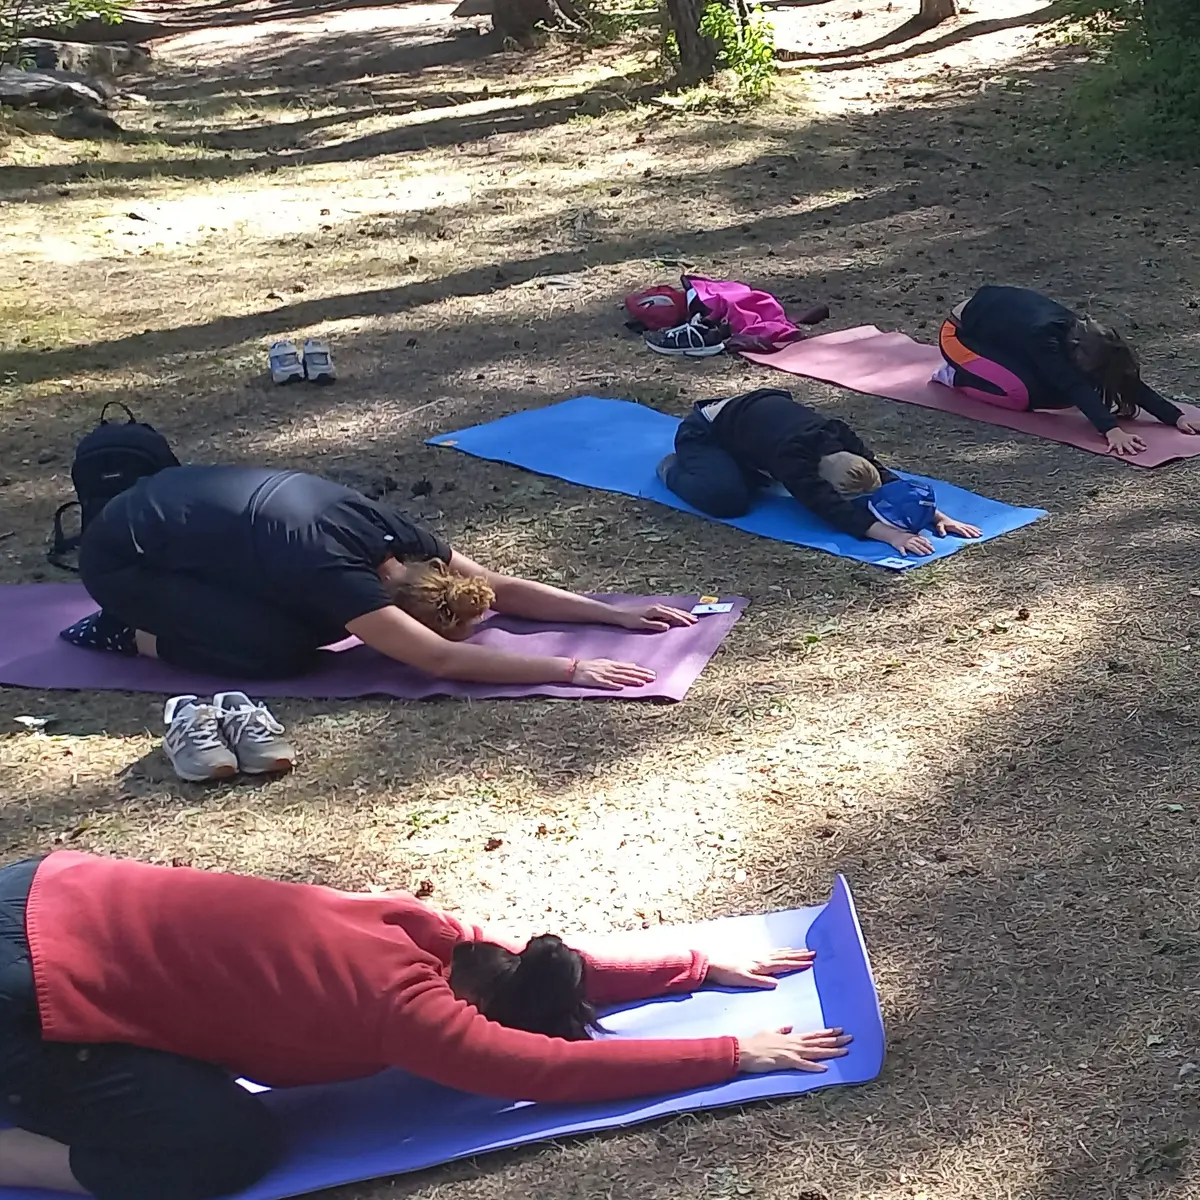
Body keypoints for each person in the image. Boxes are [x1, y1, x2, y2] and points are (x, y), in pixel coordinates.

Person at [0, 851, 852, 1200]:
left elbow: (546, 963)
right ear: (481, 1010)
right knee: (220, 1149)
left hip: (39, 890)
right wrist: (734, 1052)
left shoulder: (417, 928)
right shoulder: (411, 1013)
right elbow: (546, 1074)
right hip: (22, 991)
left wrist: (694, 967)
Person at [64, 464, 695, 685]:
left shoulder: (401, 541)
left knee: (294, 611)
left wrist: (611, 613)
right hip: (124, 557)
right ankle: (130, 632)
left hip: (181, 511)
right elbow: (441, 663)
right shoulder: (337, 577)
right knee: (282, 648)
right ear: (392, 607)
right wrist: (573, 668)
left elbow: (498, 586)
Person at [657, 388, 981, 557]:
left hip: (754, 421)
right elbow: (827, 506)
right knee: (728, 499)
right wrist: (892, 534)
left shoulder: (839, 433)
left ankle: (748, 464)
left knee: (759, 480)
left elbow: (883, 474)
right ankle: (673, 470)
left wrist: (934, 514)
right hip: (706, 432)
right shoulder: (792, 459)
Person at [936, 285, 1200, 457]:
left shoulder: (1084, 334)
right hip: (958, 334)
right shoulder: (1044, 338)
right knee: (1021, 395)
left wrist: (1174, 417)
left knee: (1057, 392)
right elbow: (1072, 383)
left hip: (997, 331)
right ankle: (954, 375)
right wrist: (1111, 430)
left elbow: (1120, 375)